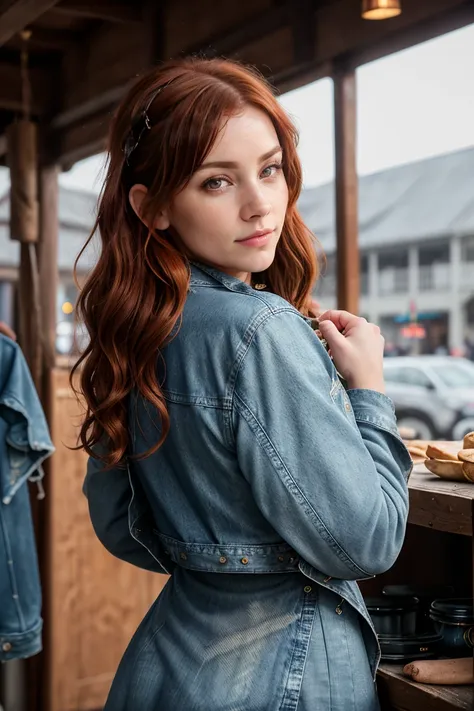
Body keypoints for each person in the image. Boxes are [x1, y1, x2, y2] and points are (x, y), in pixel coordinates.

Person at [74, 57, 412, 711]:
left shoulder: (140, 330)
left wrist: (219, 559)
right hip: (287, 676)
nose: (260, 203)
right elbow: (368, 542)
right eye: (215, 182)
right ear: (154, 207)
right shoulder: (258, 329)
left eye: (269, 168)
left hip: (165, 665)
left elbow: (120, 526)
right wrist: (367, 386)